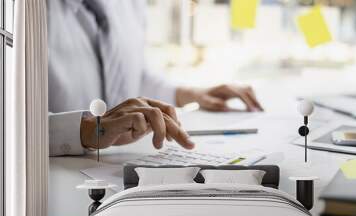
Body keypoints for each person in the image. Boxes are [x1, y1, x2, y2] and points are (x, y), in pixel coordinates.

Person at [48, 0, 263, 156]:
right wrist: (85, 129)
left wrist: (186, 94)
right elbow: (13, 123)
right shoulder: (23, 12)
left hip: (117, 162)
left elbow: (131, 74)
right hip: (51, 176)